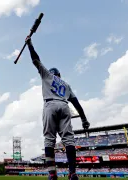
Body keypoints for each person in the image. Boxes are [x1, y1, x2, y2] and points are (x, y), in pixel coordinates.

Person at [25, 36, 90, 180]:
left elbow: (36, 60)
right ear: (60, 74)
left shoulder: (47, 75)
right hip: (64, 106)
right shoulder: (66, 84)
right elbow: (76, 103)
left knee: (49, 139)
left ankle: (52, 173)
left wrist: (29, 44)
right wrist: (84, 119)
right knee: (69, 140)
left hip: (50, 105)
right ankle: (72, 173)